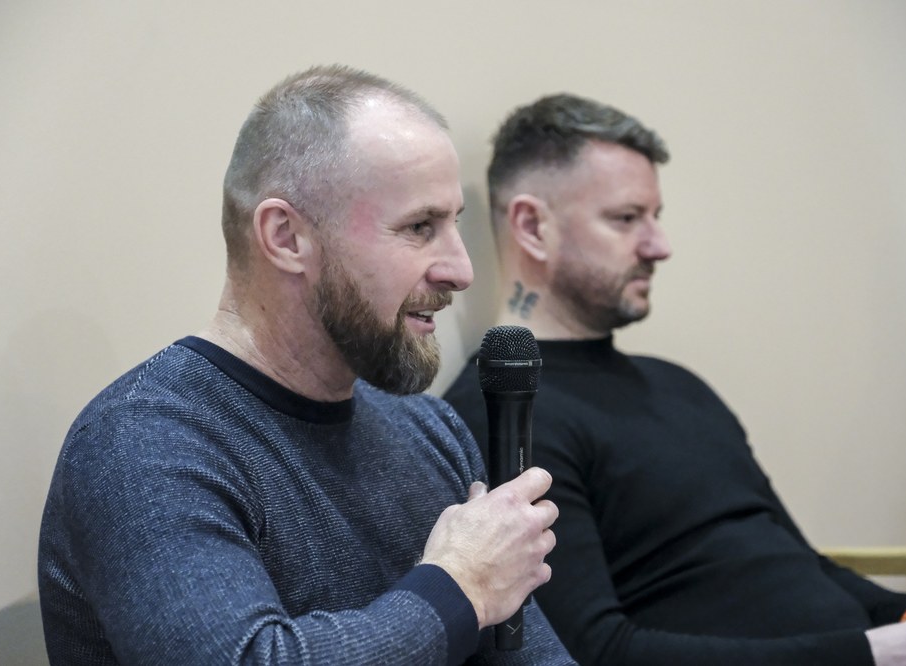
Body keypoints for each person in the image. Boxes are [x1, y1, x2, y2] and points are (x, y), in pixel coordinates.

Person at [37, 65, 575, 665]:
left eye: (455, 223)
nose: (462, 270)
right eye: (419, 227)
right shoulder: (143, 442)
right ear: (287, 237)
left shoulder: (431, 431)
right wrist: (459, 589)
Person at [443, 93, 906, 665]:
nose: (659, 246)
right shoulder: (507, 413)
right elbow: (594, 652)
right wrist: (873, 653)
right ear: (532, 225)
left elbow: (801, 564)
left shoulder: (678, 386)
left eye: (656, 217)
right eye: (626, 218)